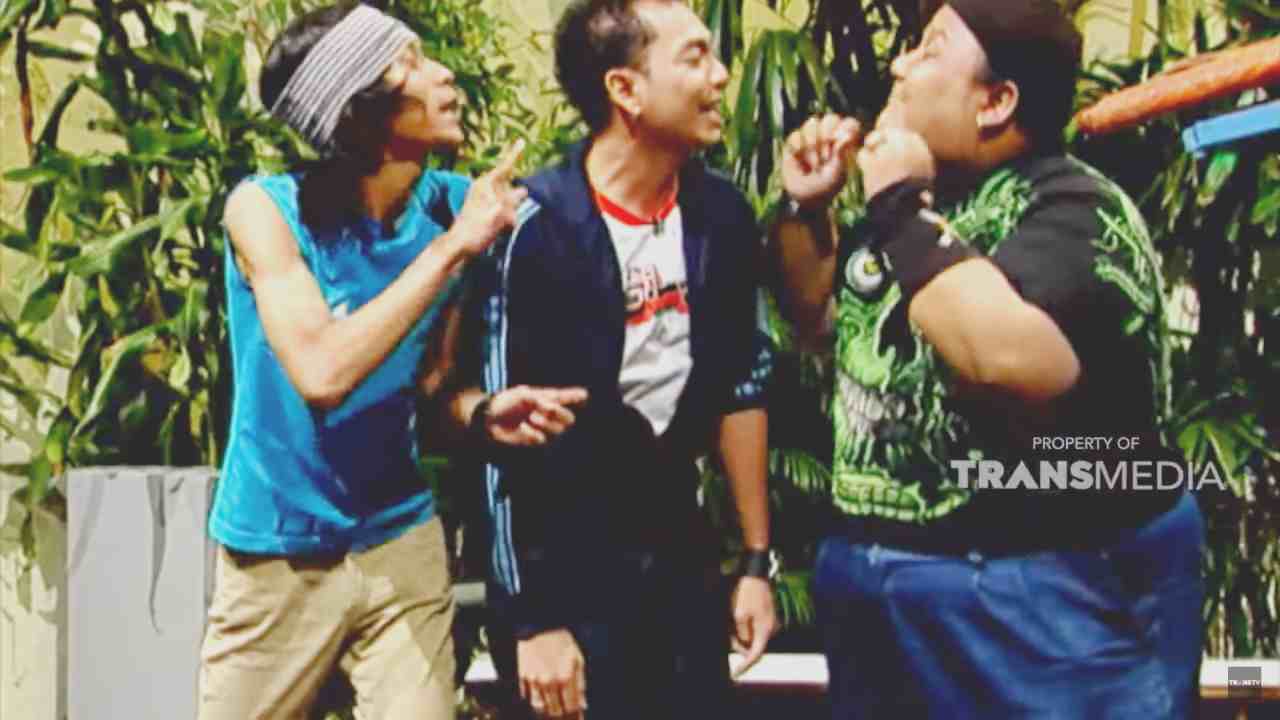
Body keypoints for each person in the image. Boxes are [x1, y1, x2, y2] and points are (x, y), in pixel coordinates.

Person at [772, 1, 1204, 717]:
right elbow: (821, 317)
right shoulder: (919, 210)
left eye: (929, 50)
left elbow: (1005, 356)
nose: (899, 65)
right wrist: (805, 210)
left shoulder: (1076, 211)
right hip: (881, 593)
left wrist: (899, 208)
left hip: (1036, 606)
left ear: (996, 102)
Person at [200, 4, 585, 718]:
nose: (444, 76)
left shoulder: (455, 208)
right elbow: (322, 373)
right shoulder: (265, 212)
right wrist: (452, 249)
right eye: (409, 64)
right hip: (279, 554)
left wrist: (483, 414)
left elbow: (433, 390)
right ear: (359, 112)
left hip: (398, 541)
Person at [475, 0, 778, 717]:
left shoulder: (721, 216)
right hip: (565, 570)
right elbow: (495, 442)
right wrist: (533, 620)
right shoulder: (533, 227)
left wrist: (754, 561)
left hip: (679, 555)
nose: (721, 76)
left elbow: (740, 386)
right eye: (694, 57)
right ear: (625, 90)